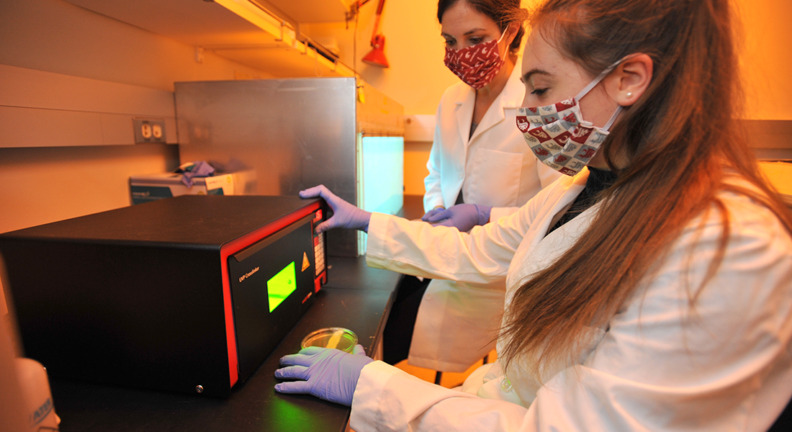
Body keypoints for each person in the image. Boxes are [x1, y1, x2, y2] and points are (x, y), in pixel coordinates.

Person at [275, 0, 792, 429]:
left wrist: (376, 388)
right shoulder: (584, 189)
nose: (526, 113)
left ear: (630, 79)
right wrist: (367, 221)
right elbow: (477, 249)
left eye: (541, 89)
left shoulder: (725, 247)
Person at [385, 0, 561, 374]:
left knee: (417, 344)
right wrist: (437, 208)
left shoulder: (538, 105)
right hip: (442, 252)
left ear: (510, 32)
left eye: (476, 38)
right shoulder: (452, 99)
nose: (462, 54)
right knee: (386, 319)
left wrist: (484, 216)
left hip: (494, 272)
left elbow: (557, 211)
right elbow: (437, 169)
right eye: (450, 41)